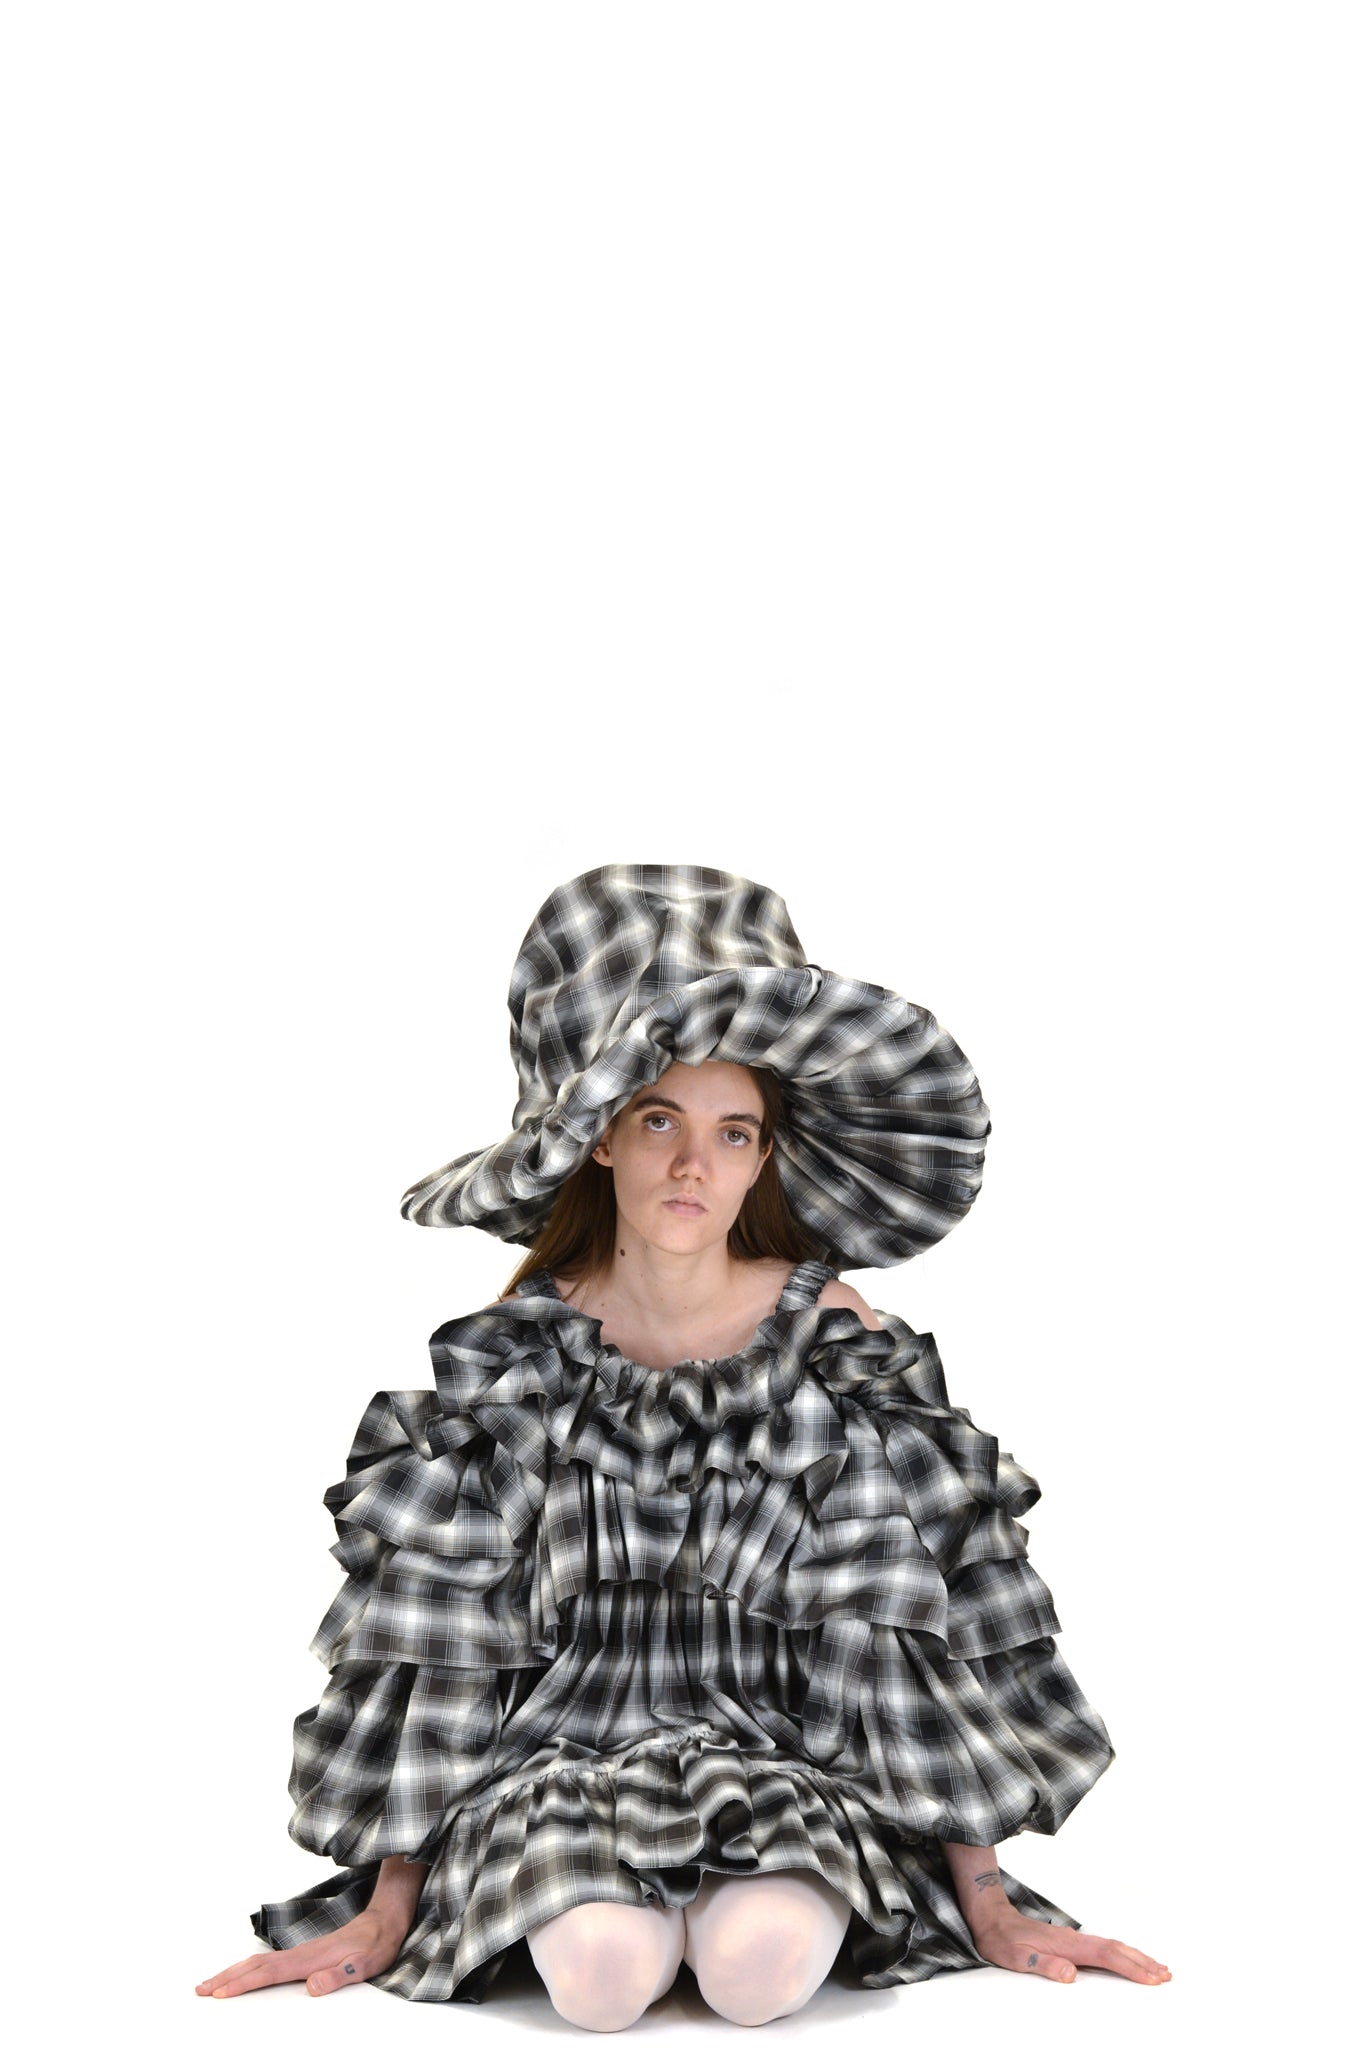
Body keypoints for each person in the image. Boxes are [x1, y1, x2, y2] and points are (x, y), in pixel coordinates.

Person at [197, 865, 1171, 2024]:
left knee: (759, 1973)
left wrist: (989, 1896)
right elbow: (441, 1633)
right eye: (659, 1117)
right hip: (559, 1756)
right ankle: (573, 1894)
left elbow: (920, 1617)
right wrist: (385, 1902)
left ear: (765, 1155)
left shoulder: (831, 1335)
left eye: (733, 1130)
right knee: (600, 1981)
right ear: (602, 1138)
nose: (693, 1163)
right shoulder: (525, 1352)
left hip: (786, 1753)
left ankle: (761, 1890)